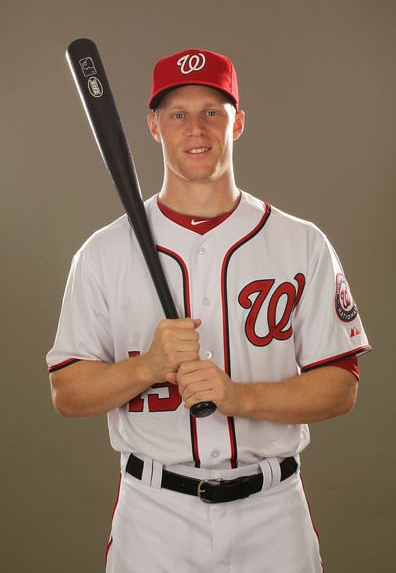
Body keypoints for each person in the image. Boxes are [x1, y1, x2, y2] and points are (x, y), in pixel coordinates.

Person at [47, 48, 371, 573]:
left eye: (212, 112)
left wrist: (239, 396)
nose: (195, 128)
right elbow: (67, 392)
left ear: (237, 122)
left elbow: (342, 385)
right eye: (178, 113)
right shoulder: (103, 253)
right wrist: (146, 368)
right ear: (154, 126)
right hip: (154, 516)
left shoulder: (302, 243)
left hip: (274, 512)